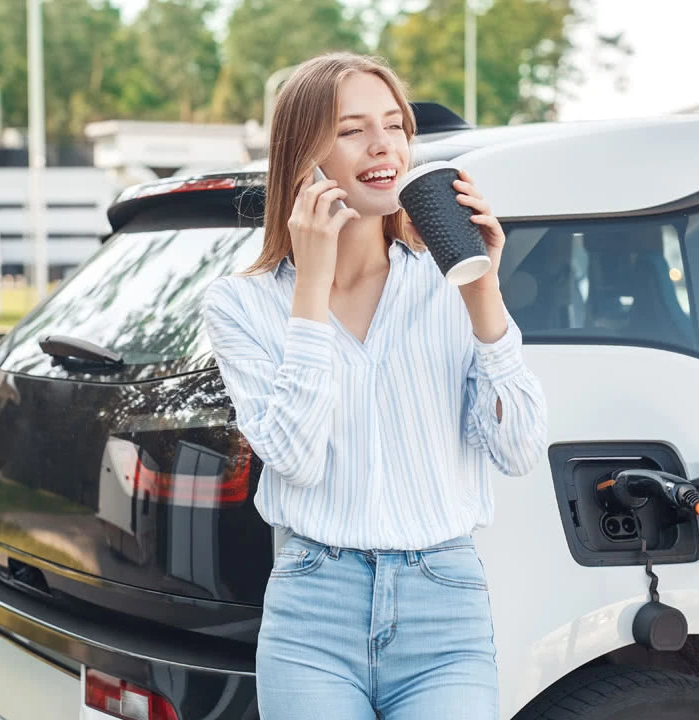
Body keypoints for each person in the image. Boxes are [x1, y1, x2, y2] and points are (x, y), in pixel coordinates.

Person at [200, 52, 549, 719]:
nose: (383, 143)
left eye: (395, 125)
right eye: (353, 129)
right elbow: (293, 456)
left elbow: (520, 447)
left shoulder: (444, 281)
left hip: (443, 607)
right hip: (313, 613)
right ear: (304, 157)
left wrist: (483, 293)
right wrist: (311, 286)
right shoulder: (240, 305)